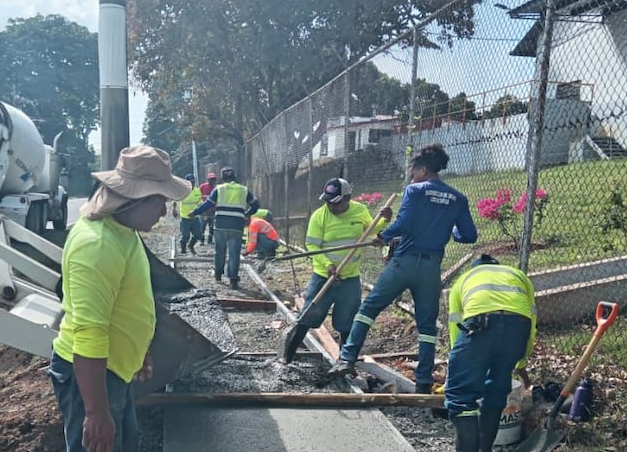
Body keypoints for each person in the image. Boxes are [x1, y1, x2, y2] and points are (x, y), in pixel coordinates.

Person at [48, 145, 191, 452]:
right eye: (160, 200)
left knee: (124, 448)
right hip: (90, 375)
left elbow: (128, 306)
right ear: (133, 199)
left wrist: (139, 351)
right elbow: (89, 336)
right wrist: (94, 412)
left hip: (115, 369)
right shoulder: (97, 247)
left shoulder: (123, 231)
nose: (165, 209)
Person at [329, 144, 477, 391]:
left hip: (404, 263)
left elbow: (404, 222)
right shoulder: (458, 199)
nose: (411, 175)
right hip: (430, 269)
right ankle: (423, 382)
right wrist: (450, 229)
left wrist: (383, 236)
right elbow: (469, 235)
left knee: (368, 308)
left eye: (413, 170)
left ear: (423, 169)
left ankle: (346, 358)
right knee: (427, 327)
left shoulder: (415, 191)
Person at [434, 254, 536, 452]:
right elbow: (532, 319)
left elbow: (456, 326)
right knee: (497, 387)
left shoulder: (464, 279)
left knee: (460, 393)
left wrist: (458, 361)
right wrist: (521, 360)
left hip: (480, 325)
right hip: (517, 328)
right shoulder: (518, 275)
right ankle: (485, 449)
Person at [283, 178, 391, 362]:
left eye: (336, 202)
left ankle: (343, 363)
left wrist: (384, 221)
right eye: (328, 201)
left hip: (350, 278)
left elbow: (369, 229)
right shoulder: (319, 216)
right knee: (309, 315)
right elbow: (312, 245)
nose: (331, 206)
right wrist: (328, 265)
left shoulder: (360, 211)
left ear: (347, 198)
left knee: (347, 320)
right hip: (323, 276)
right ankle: (287, 356)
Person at [192, 166, 258, 289]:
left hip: (221, 225)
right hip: (236, 226)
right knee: (234, 254)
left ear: (222, 178)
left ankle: (218, 274)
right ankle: (233, 280)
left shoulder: (219, 189)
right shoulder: (244, 189)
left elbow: (207, 204)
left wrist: (195, 212)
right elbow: (256, 205)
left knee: (220, 251)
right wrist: (246, 214)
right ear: (234, 177)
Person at [177, 174, 203, 255]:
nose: (192, 183)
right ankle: (183, 249)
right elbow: (175, 199)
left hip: (195, 217)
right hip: (185, 217)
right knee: (185, 236)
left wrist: (202, 208)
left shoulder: (197, 191)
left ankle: (191, 246)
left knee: (198, 235)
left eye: (193, 181)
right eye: (190, 182)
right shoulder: (182, 191)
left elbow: (199, 201)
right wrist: (174, 209)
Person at [198, 170, 218, 244]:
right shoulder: (203, 186)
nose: (212, 181)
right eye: (211, 179)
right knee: (202, 225)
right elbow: (198, 196)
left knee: (212, 226)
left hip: (213, 210)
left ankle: (210, 240)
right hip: (204, 210)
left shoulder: (216, 188)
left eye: (213, 179)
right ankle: (201, 240)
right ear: (208, 179)